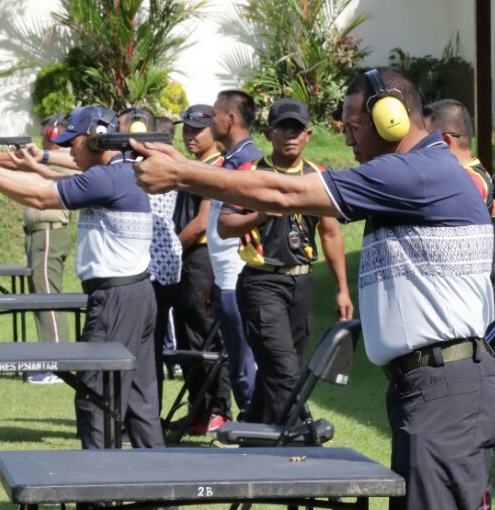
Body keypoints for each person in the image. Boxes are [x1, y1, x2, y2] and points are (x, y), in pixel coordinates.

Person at [130, 67, 495, 510]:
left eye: (355, 126)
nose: (347, 140)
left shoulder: (417, 174)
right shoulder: (420, 173)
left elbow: (284, 193)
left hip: (443, 391)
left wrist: (183, 173)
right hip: (434, 387)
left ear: (391, 117)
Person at [0, 105, 165, 451]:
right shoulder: (121, 172)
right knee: (140, 406)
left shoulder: (106, 177)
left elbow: (41, 195)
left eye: (73, 143)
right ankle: (161, 496)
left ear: (95, 139)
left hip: (115, 301)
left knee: (95, 400)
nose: (70, 152)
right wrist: (17, 166)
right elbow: (53, 182)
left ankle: (99, 495)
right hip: (137, 295)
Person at [217, 98, 354, 424]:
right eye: (283, 128)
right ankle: (302, 435)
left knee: (280, 368)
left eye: (296, 129)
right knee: (283, 369)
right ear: (268, 133)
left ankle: (253, 434)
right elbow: (224, 226)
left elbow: (331, 233)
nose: (290, 135)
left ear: (308, 133)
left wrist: (342, 289)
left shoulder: (318, 177)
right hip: (262, 281)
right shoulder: (251, 174)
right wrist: (260, 215)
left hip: (302, 282)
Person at [0, 115, 74, 384]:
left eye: (44, 134)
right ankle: (50, 360)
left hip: (50, 232)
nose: (41, 139)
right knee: (42, 299)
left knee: (48, 300)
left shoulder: (66, 157)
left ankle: (57, 365)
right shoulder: (48, 157)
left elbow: (13, 164)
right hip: (39, 235)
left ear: (54, 134)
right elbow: (12, 164)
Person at [170, 104, 257, 423]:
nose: (190, 135)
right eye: (186, 129)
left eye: (197, 130)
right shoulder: (196, 165)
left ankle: (218, 409)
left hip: (204, 260)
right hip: (189, 259)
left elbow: (201, 222)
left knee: (208, 336)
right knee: (188, 337)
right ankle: (199, 409)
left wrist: (171, 248)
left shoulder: (217, 166)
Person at [118, 106, 182, 410]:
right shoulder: (150, 161)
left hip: (154, 268)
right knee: (148, 347)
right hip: (157, 266)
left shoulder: (151, 164)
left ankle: (146, 416)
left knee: (147, 348)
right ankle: (147, 414)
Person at [423, 99, 494, 214]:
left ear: (445, 142)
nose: (417, 150)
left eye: (424, 142)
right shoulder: (474, 176)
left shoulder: (468, 180)